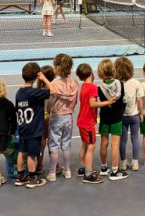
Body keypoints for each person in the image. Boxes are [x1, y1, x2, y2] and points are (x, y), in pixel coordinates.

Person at [14, 62, 50, 188]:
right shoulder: (35, 92)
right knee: (32, 155)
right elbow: (54, 91)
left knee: (21, 152)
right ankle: (32, 178)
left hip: (22, 128)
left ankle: (20, 176)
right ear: (36, 77)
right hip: (34, 130)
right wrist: (44, 79)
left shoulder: (19, 93)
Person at [76, 63, 113, 185]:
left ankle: (81, 168)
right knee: (91, 146)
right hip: (88, 123)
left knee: (84, 145)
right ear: (91, 73)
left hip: (81, 121)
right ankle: (88, 174)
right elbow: (92, 104)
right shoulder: (92, 87)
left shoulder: (83, 86)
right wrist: (107, 102)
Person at [46, 53, 79, 181]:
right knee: (66, 144)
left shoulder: (53, 84)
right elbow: (75, 101)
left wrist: (49, 110)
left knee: (54, 145)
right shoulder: (74, 82)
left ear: (58, 67)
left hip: (56, 117)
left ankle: (52, 172)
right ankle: (67, 170)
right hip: (68, 117)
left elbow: (49, 102)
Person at [97, 58, 127, 181]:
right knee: (115, 144)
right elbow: (124, 100)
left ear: (100, 73)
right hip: (117, 118)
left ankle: (104, 167)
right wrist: (121, 111)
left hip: (105, 118)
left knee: (104, 142)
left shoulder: (99, 88)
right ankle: (114, 171)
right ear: (113, 70)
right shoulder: (120, 84)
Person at [115, 57, 144, 172]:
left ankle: (123, 162)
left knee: (122, 140)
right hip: (134, 116)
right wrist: (141, 113)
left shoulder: (117, 84)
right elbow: (140, 100)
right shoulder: (136, 83)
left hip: (122, 117)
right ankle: (135, 162)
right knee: (135, 138)